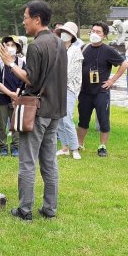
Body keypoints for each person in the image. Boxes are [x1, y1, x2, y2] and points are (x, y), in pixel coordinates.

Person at [0, 0, 67, 221]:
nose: (24, 21)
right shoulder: (59, 43)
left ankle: (24, 209)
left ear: (37, 19)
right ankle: (50, 208)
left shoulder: (37, 46)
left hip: (37, 110)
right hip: (55, 109)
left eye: (26, 17)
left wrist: (10, 63)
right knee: (49, 162)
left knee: (27, 161)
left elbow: (31, 79)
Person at [76, 22, 128, 157]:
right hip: (85, 91)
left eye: (98, 32)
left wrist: (112, 80)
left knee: (103, 119)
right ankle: (79, 144)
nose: (94, 34)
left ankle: (102, 146)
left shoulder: (108, 50)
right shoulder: (84, 48)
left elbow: (124, 64)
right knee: (83, 119)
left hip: (101, 92)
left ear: (104, 35)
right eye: (93, 31)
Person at [53, 22, 83, 160]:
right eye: (63, 32)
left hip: (69, 88)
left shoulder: (76, 51)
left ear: (72, 36)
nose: (65, 35)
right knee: (58, 118)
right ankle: (64, 147)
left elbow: (71, 73)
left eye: (68, 33)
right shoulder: (57, 49)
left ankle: (74, 147)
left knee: (67, 118)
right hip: (55, 88)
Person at [0, 36, 25, 157]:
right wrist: (9, 93)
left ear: (17, 48)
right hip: (1, 97)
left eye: (13, 45)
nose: (10, 48)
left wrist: (16, 94)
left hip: (17, 97)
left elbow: (23, 79)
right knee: (1, 124)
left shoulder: (21, 62)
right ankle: (3, 147)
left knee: (16, 124)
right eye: (8, 45)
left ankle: (15, 147)